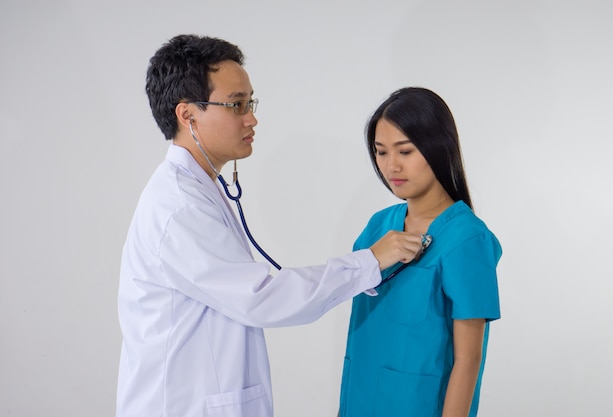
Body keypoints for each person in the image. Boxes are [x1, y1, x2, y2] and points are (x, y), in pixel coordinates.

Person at [116, 34, 426, 417]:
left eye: (250, 103)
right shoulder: (178, 208)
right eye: (236, 105)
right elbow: (261, 297)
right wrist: (368, 263)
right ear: (188, 115)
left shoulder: (198, 189)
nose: (251, 118)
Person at [338, 87, 502, 417]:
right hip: (359, 401)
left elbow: (468, 360)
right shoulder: (378, 226)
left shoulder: (466, 239)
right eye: (381, 152)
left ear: (437, 147)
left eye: (406, 151)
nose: (391, 166)